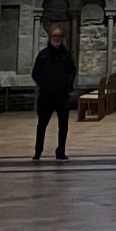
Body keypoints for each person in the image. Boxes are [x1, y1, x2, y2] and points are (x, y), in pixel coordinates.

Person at [31, 24, 77, 162]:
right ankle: (38, 151)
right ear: (50, 37)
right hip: (46, 95)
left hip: (62, 95)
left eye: (59, 36)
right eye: (54, 36)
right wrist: (44, 84)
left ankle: (61, 152)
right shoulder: (43, 54)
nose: (57, 38)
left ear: (62, 38)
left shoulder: (66, 55)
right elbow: (35, 73)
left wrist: (68, 85)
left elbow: (72, 71)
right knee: (42, 124)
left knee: (63, 125)